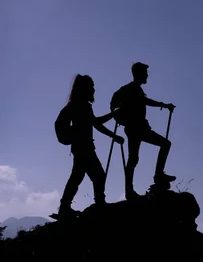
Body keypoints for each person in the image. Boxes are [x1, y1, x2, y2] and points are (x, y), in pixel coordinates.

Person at [57, 74, 124, 217]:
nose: (94, 90)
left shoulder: (76, 105)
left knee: (77, 177)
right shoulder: (81, 106)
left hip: (80, 147)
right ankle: (99, 203)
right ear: (85, 89)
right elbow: (96, 123)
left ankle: (65, 207)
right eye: (91, 87)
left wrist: (114, 136)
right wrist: (113, 115)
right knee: (97, 175)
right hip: (84, 147)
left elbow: (94, 123)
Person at [111, 62, 176, 200]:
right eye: (145, 73)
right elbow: (145, 101)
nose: (147, 75)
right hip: (136, 128)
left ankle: (133, 188)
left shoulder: (132, 89)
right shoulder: (132, 89)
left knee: (134, 158)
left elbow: (141, 101)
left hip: (137, 128)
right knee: (163, 145)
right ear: (138, 74)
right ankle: (156, 176)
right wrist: (164, 105)